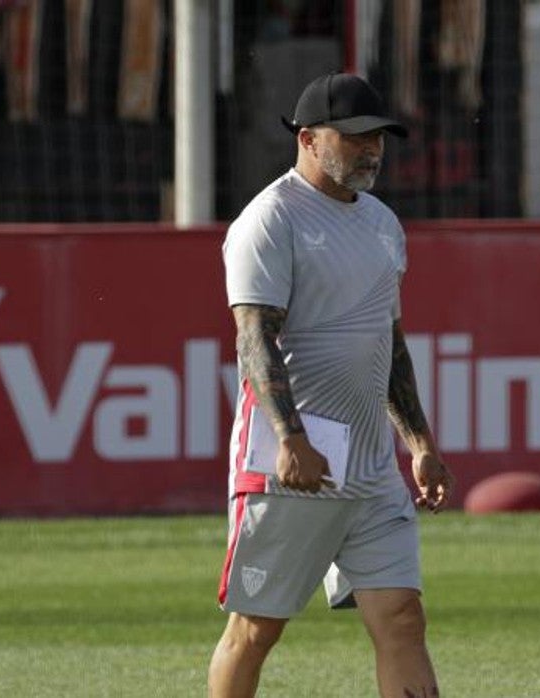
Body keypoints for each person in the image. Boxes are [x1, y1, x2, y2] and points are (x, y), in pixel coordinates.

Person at [209, 72, 454, 698]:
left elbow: (389, 342)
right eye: (355, 138)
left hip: (372, 467)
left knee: (402, 617)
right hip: (293, 462)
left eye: (378, 137)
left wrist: (418, 443)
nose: (371, 150)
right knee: (255, 629)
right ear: (309, 138)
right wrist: (290, 439)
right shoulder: (270, 220)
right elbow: (254, 339)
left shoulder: (381, 223)